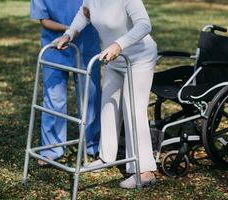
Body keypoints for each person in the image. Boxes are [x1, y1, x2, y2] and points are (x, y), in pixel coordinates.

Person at [56, 0, 158, 188]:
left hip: (139, 59)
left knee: (133, 111)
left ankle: (145, 170)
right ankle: (106, 157)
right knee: (108, 107)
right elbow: (83, 14)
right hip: (114, 60)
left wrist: (119, 44)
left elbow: (145, 24)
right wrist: (69, 34)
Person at [30, 0, 101, 165]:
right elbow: (44, 20)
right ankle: (51, 149)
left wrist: (77, 28)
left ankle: (93, 145)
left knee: (90, 98)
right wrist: (69, 30)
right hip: (55, 48)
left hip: (86, 47)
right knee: (54, 99)